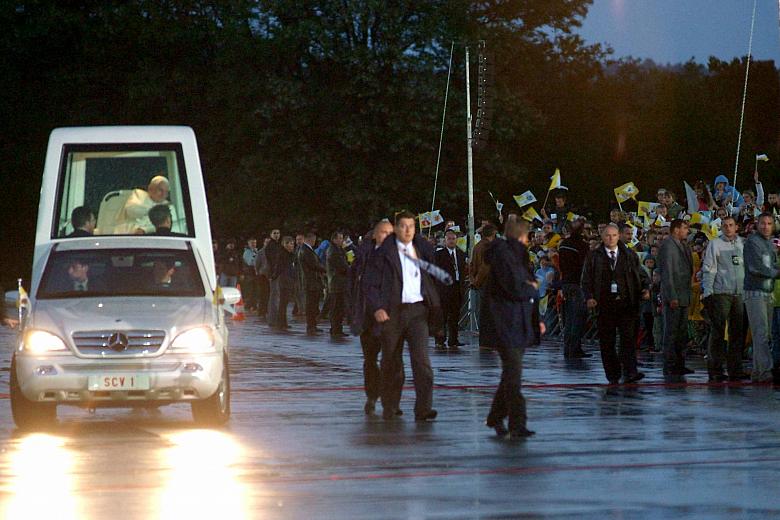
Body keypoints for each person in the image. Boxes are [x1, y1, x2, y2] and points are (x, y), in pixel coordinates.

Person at [364, 210, 440, 422]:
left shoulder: (421, 249)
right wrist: (378, 307)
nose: (407, 230)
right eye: (403, 226)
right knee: (391, 362)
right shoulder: (383, 254)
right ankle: (390, 406)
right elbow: (369, 284)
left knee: (422, 362)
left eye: (411, 226)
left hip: (417, 312)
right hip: (392, 313)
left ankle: (423, 408)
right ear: (396, 228)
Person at [483, 218, 539, 438]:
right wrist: (532, 289)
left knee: (510, 375)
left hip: (514, 323)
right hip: (506, 324)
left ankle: (496, 417)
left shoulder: (512, 256)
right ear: (520, 236)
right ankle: (517, 423)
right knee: (513, 375)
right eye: (527, 236)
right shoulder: (507, 256)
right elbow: (516, 288)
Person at [581, 223, 649, 384]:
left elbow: (641, 274)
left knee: (628, 339)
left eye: (613, 235)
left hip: (626, 302)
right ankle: (612, 373)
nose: (610, 239)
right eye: (607, 235)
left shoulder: (629, 254)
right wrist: (589, 297)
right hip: (604, 304)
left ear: (618, 236)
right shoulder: (594, 256)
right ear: (602, 237)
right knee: (607, 341)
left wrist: (645, 288)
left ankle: (630, 371)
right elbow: (586, 279)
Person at [349, 220, 400, 414]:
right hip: (368, 317)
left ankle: (391, 400)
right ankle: (372, 396)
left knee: (392, 361)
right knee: (371, 359)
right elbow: (354, 285)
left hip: (390, 316)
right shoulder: (363, 258)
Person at [700, 216, 748, 382]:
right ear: (721, 227)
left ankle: (735, 369)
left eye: (731, 225)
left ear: (736, 227)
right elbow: (709, 268)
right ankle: (715, 369)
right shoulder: (715, 244)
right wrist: (708, 291)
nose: (728, 228)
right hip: (721, 293)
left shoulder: (743, 243)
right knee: (718, 332)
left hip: (740, 294)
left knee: (737, 333)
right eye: (725, 225)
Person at [743, 213, 780, 382]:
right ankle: (764, 371)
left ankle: (759, 372)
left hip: (767, 292)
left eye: (769, 223)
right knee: (761, 333)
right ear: (757, 225)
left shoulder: (769, 244)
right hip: (755, 291)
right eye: (763, 223)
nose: (766, 226)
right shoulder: (752, 242)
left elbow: (771, 264)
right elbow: (755, 267)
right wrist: (777, 273)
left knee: (764, 334)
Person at [658, 219, 694, 379]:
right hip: (674, 294)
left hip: (684, 293)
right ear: (676, 229)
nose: (687, 231)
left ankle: (679, 363)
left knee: (681, 332)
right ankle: (670, 364)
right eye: (685, 228)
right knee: (671, 331)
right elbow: (668, 272)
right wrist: (671, 295)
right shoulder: (668, 246)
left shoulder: (683, 245)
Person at [557, 219, 591, 359]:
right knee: (577, 318)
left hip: (566, 283)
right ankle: (574, 349)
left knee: (570, 318)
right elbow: (585, 267)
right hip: (578, 284)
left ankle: (569, 348)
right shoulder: (582, 246)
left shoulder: (564, 244)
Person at [434, 229, 466, 349]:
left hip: (457, 288)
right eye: (449, 239)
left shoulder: (461, 254)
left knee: (455, 315)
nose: (451, 241)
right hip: (444, 289)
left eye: (453, 239)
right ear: (445, 240)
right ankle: (440, 340)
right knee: (442, 316)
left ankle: (453, 339)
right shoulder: (439, 255)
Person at [469, 223, 497, 349]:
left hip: (481, 283)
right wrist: (478, 281)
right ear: (493, 233)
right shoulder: (489, 247)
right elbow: (486, 266)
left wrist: (473, 280)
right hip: (489, 282)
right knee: (490, 314)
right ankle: (489, 341)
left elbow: (472, 265)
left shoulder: (477, 246)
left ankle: (485, 341)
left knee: (484, 312)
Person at [297, 231, 326, 335]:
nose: (315, 241)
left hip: (312, 281)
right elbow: (314, 265)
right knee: (311, 305)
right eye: (314, 239)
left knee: (313, 305)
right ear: (310, 239)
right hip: (310, 281)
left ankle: (313, 325)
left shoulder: (307, 249)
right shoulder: (305, 250)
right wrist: (325, 269)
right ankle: (311, 326)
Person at [326, 231, 349, 337]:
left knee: (338, 307)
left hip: (339, 283)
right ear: (334, 239)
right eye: (339, 238)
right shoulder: (334, 251)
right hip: (336, 283)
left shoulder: (338, 250)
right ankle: (336, 329)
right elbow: (342, 266)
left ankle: (337, 328)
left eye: (342, 238)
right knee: (336, 307)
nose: (342, 240)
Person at [275, 236, 296, 330]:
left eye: (292, 244)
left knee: (285, 302)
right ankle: (280, 323)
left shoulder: (290, 254)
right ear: (285, 244)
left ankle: (283, 322)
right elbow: (280, 268)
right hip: (284, 280)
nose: (292, 246)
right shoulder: (282, 254)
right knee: (283, 302)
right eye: (290, 244)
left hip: (289, 280)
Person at [241, 237, 259, 311]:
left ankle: (253, 305)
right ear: (248, 243)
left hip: (255, 274)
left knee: (255, 290)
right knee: (250, 290)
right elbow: (250, 262)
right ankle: (249, 305)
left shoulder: (256, 251)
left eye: (254, 243)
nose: (253, 244)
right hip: (249, 274)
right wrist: (257, 259)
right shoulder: (247, 252)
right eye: (252, 243)